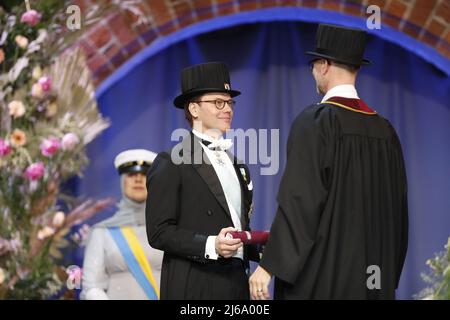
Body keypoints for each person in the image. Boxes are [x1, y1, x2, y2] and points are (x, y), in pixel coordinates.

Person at [249, 24, 408, 300]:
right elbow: (398, 215)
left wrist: (268, 266)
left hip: (322, 282)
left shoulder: (317, 122)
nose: (313, 72)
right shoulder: (386, 131)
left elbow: (300, 203)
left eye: (313, 64)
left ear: (323, 65)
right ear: (356, 68)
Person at [145, 62, 260, 299]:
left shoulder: (239, 166)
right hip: (194, 285)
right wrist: (210, 245)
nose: (227, 108)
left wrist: (261, 248)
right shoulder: (171, 161)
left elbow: (238, 229)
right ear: (194, 109)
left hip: (235, 284)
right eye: (218, 102)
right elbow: (159, 232)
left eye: (230, 102)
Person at [81, 149, 163, 300]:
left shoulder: (168, 228)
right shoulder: (103, 232)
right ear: (122, 181)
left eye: (144, 175)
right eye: (132, 175)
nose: (138, 179)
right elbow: (92, 286)